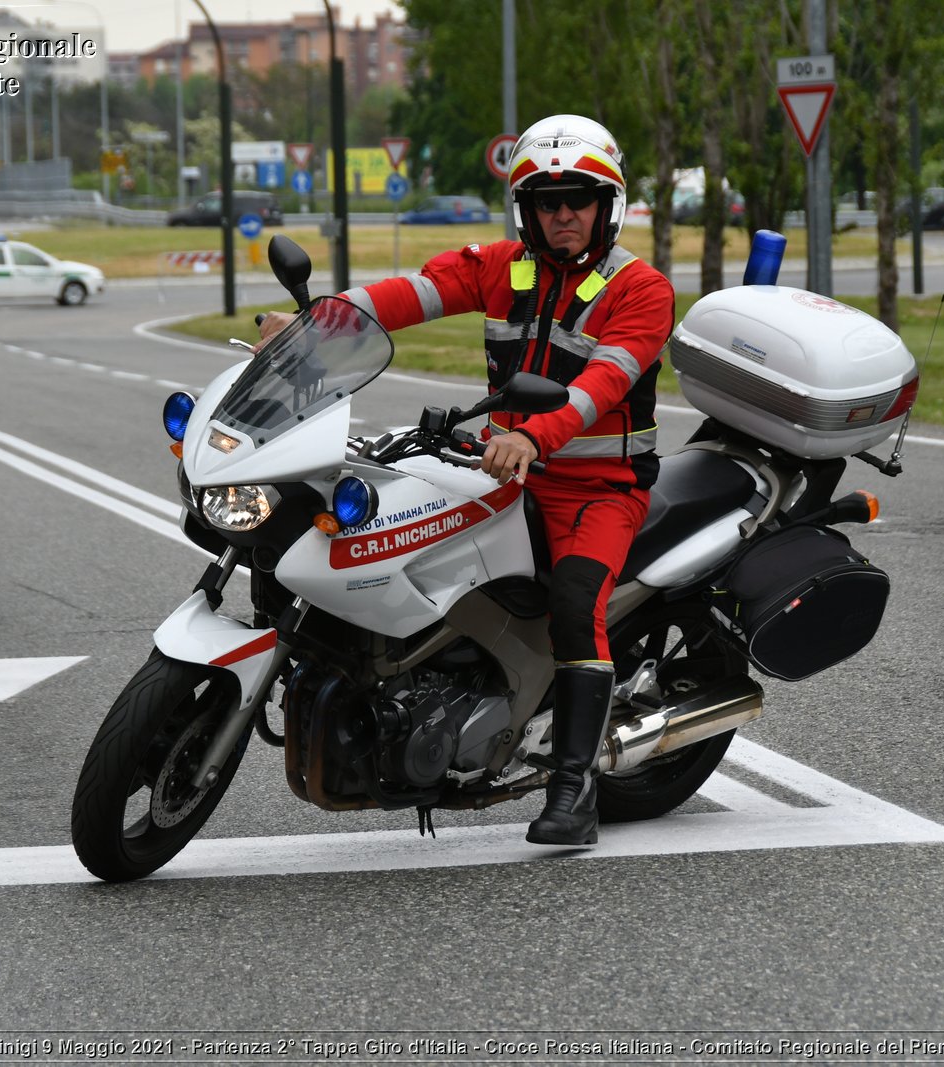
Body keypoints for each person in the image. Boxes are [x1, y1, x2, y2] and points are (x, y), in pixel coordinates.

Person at [257, 114, 673, 847]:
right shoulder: (501, 265)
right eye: (547, 201)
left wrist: (532, 435)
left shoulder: (641, 289)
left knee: (577, 603)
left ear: (608, 204)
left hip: (596, 486)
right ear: (528, 210)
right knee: (387, 533)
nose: (564, 213)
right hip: (496, 463)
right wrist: (308, 333)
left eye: (578, 197)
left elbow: (602, 385)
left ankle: (573, 791)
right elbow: (402, 295)